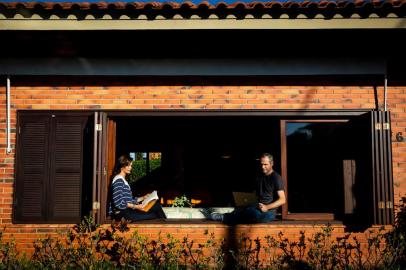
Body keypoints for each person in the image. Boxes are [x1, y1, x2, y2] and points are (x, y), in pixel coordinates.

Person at [205, 153, 286, 224]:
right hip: (258, 207)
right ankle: (223, 216)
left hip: (269, 212)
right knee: (244, 210)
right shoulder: (260, 177)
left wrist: (267, 207)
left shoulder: (276, 178)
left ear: (272, 163)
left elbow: (283, 200)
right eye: (261, 164)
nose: (262, 167)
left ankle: (223, 217)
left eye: (265, 164)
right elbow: (256, 194)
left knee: (253, 214)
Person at [109, 154, 166, 222]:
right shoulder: (118, 181)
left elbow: (128, 200)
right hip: (122, 214)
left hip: (127, 212)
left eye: (131, 165)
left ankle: (167, 227)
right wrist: (136, 207)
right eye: (128, 165)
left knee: (156, 206)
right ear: (122, 166)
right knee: (155, 214)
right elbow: (118, 203)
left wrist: (143, 198)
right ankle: (167, 228)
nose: (130, 168)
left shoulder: (122, 180)